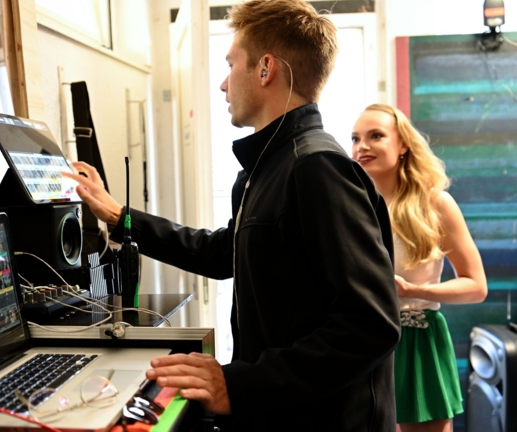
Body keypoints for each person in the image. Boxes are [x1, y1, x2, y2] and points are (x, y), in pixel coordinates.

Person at [64, 1, 400, 430]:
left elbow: (370, 323)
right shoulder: (268, 168)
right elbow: (224, 252)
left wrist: (239, 385)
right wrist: (119, 217)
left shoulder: (316, 168)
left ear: (265, 69)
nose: (223, 84)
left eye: (230, 65)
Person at [351, 104, 488, 432]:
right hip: (358, 341)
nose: (362, 146)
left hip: (416, 342)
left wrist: (413, 290)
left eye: (375, 136)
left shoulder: (435, 204)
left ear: (403, 145)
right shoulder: (350, 206)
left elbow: (476, 286)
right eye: (355, 138)